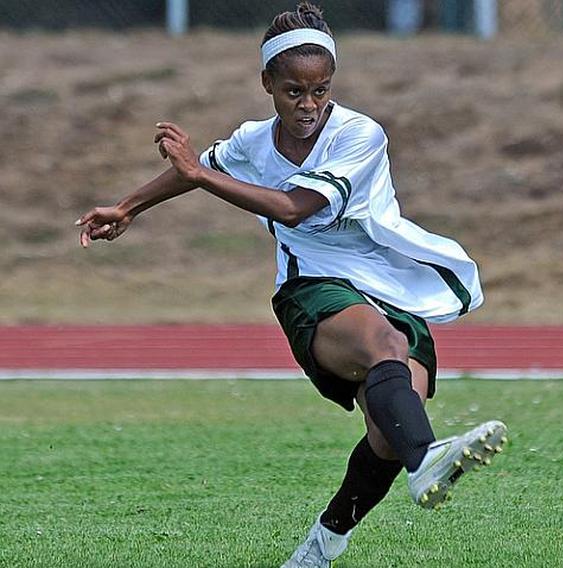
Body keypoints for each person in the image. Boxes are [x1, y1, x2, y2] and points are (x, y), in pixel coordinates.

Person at [75, 3, 508, 567]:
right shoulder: (254, 142)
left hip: (388, 285)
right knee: (388, 352)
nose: (308, 106)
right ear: (267, 85)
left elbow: (293, 207)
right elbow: (202, 167)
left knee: (388, 430)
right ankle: (426, 459)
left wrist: (198, 175)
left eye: (320, 91)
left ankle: (320, 547)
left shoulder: (359, 134)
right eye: (293, 92)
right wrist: (128, 207)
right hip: (313, 285)